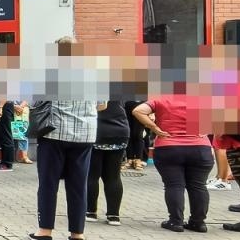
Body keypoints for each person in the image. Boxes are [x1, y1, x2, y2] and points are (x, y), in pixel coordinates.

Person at [131, 93, 213, 231]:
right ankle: (198, 222)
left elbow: (137, 110)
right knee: (198, 186)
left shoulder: (162, 98)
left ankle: (175, 221)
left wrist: (154, 127)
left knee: (174, 185)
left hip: (169, 147)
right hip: (200, 147)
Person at [26, 100, 97, 240]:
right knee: (79, 186)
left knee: (48, 184)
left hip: (55, 131)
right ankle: (77, 235)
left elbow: (37, 101)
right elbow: (102, 105)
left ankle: (45, 232)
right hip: (85, 134)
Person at [86, 99, 130, 225]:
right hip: (120, 130)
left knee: (92, 175)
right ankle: (113, 215)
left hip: (96, 130)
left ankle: (90, 212)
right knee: (113, 176)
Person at [0, 100, 17, 170]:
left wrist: (0, 107)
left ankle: (8, 163)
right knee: (2, 136)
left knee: (6, 135)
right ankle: (3, 162)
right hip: (1, 105)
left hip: (4, 105)